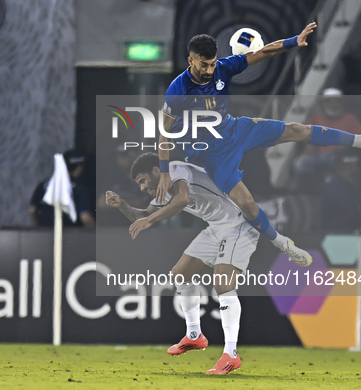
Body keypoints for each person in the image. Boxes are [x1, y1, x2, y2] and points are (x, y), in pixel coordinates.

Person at [157, 22, 361, 266]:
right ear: (190, 61)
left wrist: (293, 41)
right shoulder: (178, 90)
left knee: (296, 130)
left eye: (213, 63)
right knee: (246, 203)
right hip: (212, 155)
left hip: (236, 130)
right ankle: (284, 244)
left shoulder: (223, 68)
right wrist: (163, 172)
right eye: (204, 65)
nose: (210, 69)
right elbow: (164, 134)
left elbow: (264, 52)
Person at [106, 152, 279, 375]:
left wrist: (150, 220)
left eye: (142, 180)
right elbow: (143, 216)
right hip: (217, 228)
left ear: (157, 171)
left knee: (223, 284)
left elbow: (183, 199)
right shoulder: (162, 189)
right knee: (180, 274)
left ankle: (231, 355)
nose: (141, 188)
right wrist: (122, 205)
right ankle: (195, 335)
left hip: (239, 224)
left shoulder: (176, 170)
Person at [293, 88, 361, 186]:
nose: (333, 105)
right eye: (329, 102)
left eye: (336, 102)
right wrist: (309, 145)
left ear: (341, 103)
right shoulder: (315, 119)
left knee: (343, 161)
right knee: (300, 163)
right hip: (317, 155)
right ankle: (307, 189)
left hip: (338, 155)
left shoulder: (350, 119)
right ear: (323, 104)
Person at [29, 150, 95, 228]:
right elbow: (85, 217)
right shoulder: (79, 189)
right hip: (70, 235)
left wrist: (39, 227)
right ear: (79, 167)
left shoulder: (44, 185)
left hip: (45, 234)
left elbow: (32, 210)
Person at [321, 151, 361, 232]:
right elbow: (353, 215)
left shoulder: (348, 186)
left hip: (350, 233)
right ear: (348, 166)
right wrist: (358, 212)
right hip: (337, 235)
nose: (358, 168)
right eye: (356, 164)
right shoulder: (336, 187)